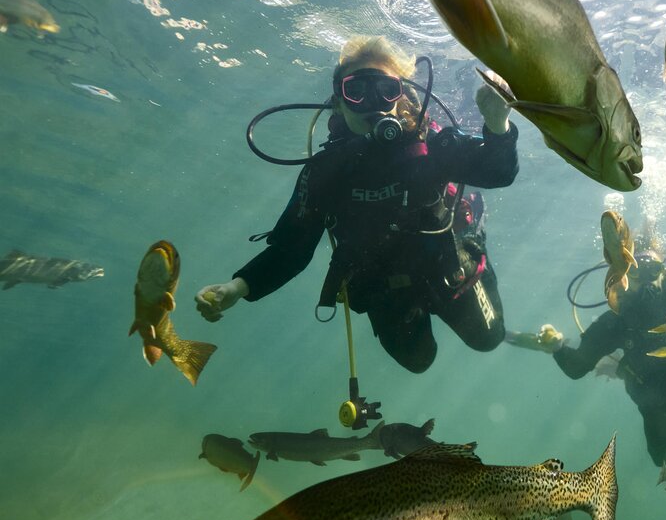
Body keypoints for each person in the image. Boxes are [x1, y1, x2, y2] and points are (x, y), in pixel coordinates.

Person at [195, 36, 519, 373]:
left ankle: (474, 256)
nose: (373, 102)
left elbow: (497, 171)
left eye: (386, 89)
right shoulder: (325, 172)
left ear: (401, 96)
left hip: (449, 271)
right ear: (339, 102)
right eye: (357, 91)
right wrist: (237, 287)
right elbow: (292, 249)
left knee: (488, 339)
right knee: (418, 361)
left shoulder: (431, 142)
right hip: (386, 291)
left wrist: (498, 125)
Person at [511, 244, 666, 467]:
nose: (646, 280)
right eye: (636, 272)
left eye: (653, 270)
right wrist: (557, 347)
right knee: (660, 460)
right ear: (625, 278)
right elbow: (577, 368)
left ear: (663, 274)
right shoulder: (619, 320)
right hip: (651, 405)